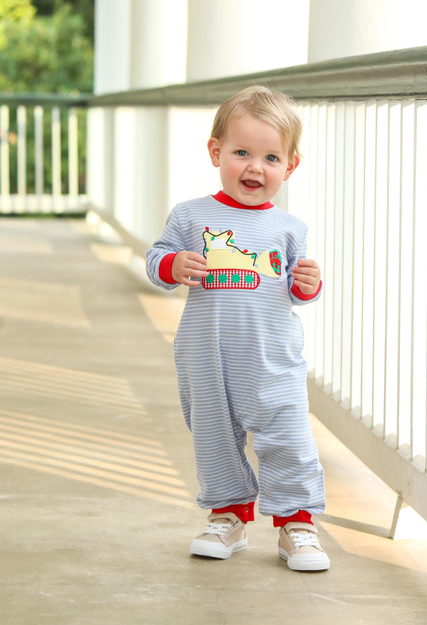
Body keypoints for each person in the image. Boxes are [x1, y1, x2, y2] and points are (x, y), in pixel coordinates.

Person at [145, 85, 329, 571]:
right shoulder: (191, 215)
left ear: (290, 166)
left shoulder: (290, 228)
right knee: (214, 439)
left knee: (289, 438)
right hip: (206, 357)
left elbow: (293, 290)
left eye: (271, 158)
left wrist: (309, 285)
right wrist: (172, 264)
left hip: (272, 358)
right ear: (216, 152)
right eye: (242, 153)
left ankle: (297, 523)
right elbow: (157, 258)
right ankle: (227, 516)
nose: (255, 168)